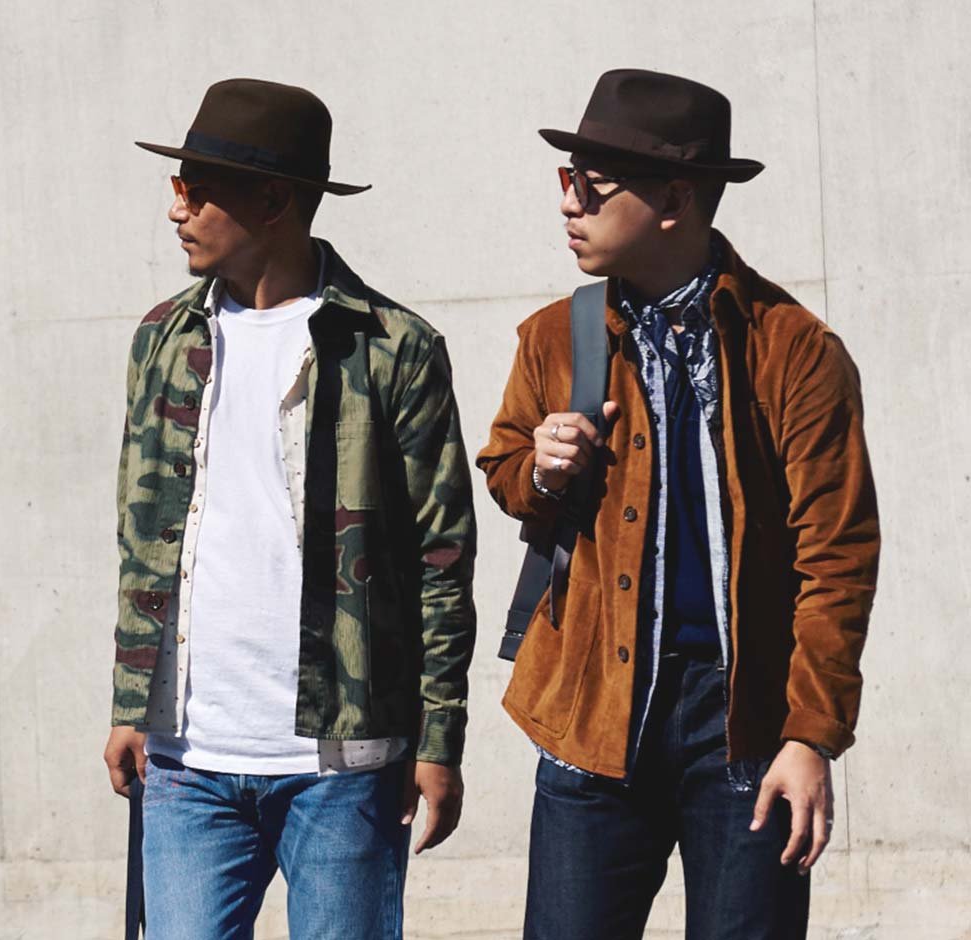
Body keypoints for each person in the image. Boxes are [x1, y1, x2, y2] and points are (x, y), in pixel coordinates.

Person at [477, 69, 879, 939]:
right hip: (592, 706)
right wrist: (541, 469)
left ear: (672, 198)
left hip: (743, 725)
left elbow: (836, 556)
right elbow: (506, 472)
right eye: (567, 180)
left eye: (592, 184)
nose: (569, 203)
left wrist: (809, 735)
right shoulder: (555, 336)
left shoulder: (792, 348)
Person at [102, 78, 476, 940]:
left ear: (272, 201)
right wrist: (128, 702)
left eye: (197, 188)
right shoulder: (163, 338)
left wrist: (438, 740)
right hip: (187, 758)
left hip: (343, 762)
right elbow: (140, 537)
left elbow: (441, 560)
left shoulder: (392, 347)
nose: (176, 208)